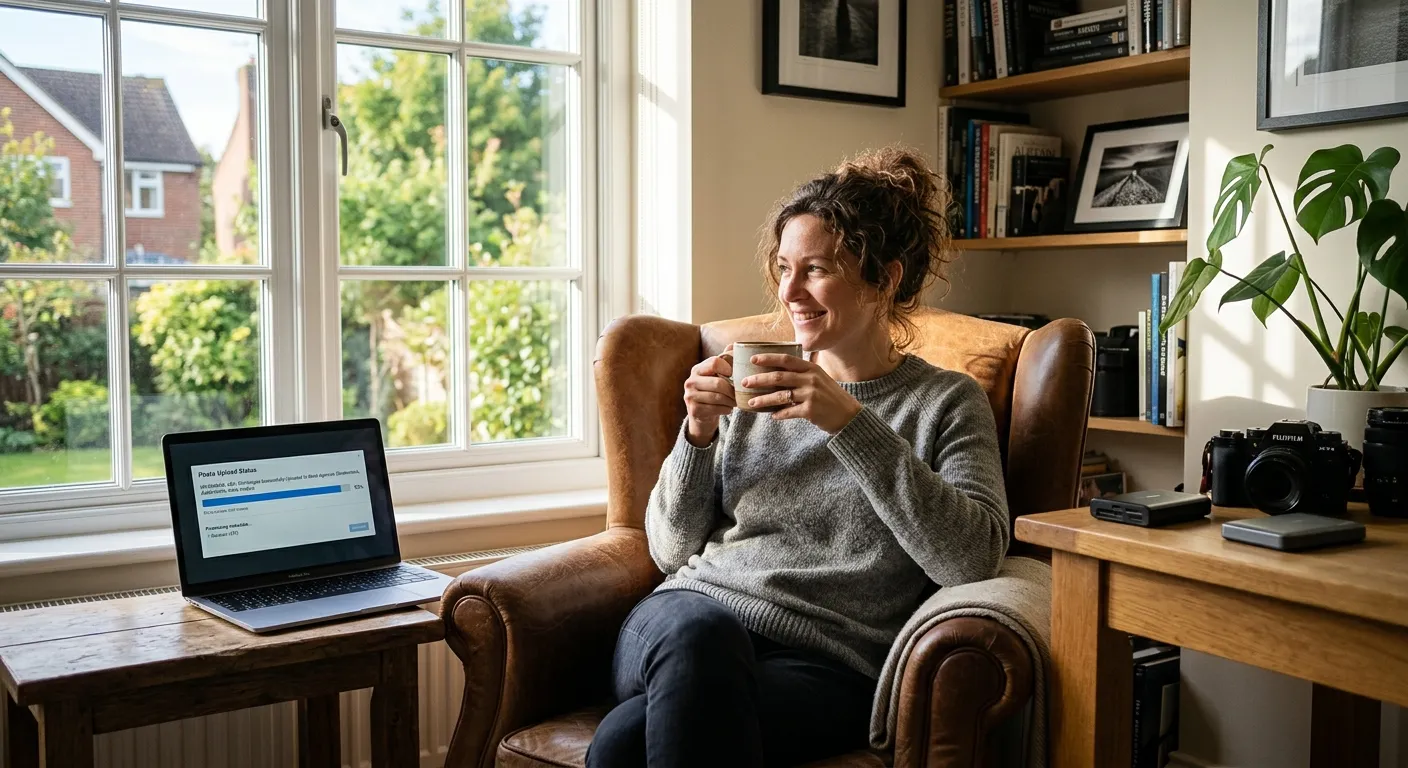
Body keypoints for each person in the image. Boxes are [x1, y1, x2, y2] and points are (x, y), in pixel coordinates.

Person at [584, 147, 1010, 768]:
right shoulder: (751, 383)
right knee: (703, 639)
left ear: (885, 279)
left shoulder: (946, 402)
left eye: (815, 269)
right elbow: (670, 551)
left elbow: (971, 558)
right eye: (784, 267)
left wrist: (846, 421)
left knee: (624, 744)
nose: (788, 292)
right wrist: (696, 433)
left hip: (826, 664)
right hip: (685, 619)